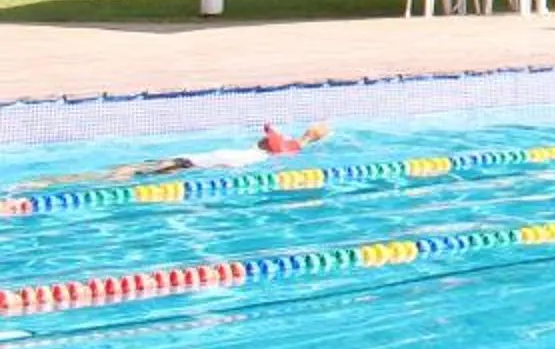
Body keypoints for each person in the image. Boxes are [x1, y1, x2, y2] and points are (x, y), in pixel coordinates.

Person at [22, 121, 331, 188]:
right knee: (120, 173)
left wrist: (311, 134)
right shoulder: (267, 157)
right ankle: (51, 182)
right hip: (189, 168)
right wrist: (313, 134)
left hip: (181, 165)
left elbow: (295, 141)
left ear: (266, 144)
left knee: (114, 173)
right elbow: (301, 142)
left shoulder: (253, 152)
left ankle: (45, 182)